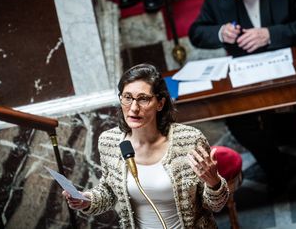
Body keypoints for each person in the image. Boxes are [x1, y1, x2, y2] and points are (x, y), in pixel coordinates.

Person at [188, 0, 296, 191]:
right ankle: (278, 168)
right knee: (235, 116)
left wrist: (270, 34)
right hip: (250, 67)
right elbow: (196, 33)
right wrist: (220, 32)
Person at [62, 63, 229, 228]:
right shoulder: (109, 142)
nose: (133, 108)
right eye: (127, 97)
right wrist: (86, 200)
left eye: (143, 99)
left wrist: (214, 182)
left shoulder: (189, 140)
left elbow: (215, 205)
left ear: (160, 103)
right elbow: (109, 192)